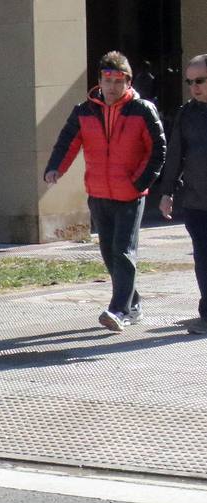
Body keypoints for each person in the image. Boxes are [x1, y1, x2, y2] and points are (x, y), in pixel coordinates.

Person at [44, 50, 167, 332]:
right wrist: (55, 168)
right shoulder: (84, 110)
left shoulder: (142, 110)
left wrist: (140, 183)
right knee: (109, 252)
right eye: (107, 79)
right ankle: (132, 304)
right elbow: (67, 142)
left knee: (123, 251)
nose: (111, 87)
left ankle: (119, 310)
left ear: (128, 82)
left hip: (130, 195)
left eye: (118, 80)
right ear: (99, 80)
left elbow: (157, 151)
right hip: (99, 193)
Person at [159, 53, 207, 335]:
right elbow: (175, 154)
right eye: (190, 81)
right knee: (203, 257)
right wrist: (167, 192)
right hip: (197, 202)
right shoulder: (186, 113)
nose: (194, 87)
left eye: (200, 80)